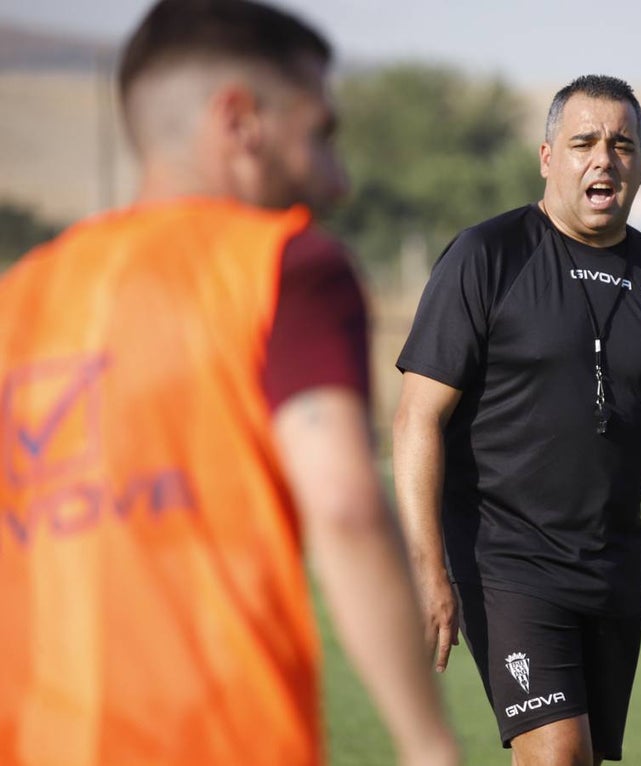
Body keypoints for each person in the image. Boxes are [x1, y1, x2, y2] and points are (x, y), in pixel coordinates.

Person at [0, 1, 459, 764]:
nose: (338, 180)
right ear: (241, 120)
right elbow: (344, 505)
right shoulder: (283, 264)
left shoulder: (21, 296)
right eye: (321, 136)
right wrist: (429, 745)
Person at [393, 74, 641, 765]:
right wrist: (427, 569)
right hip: (503, 557)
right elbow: (415, 422)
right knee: (557, 754)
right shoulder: (487, 257)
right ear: (548, 156)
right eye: (583, 142)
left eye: (622, 145)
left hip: (611, 568)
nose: (603, 159)